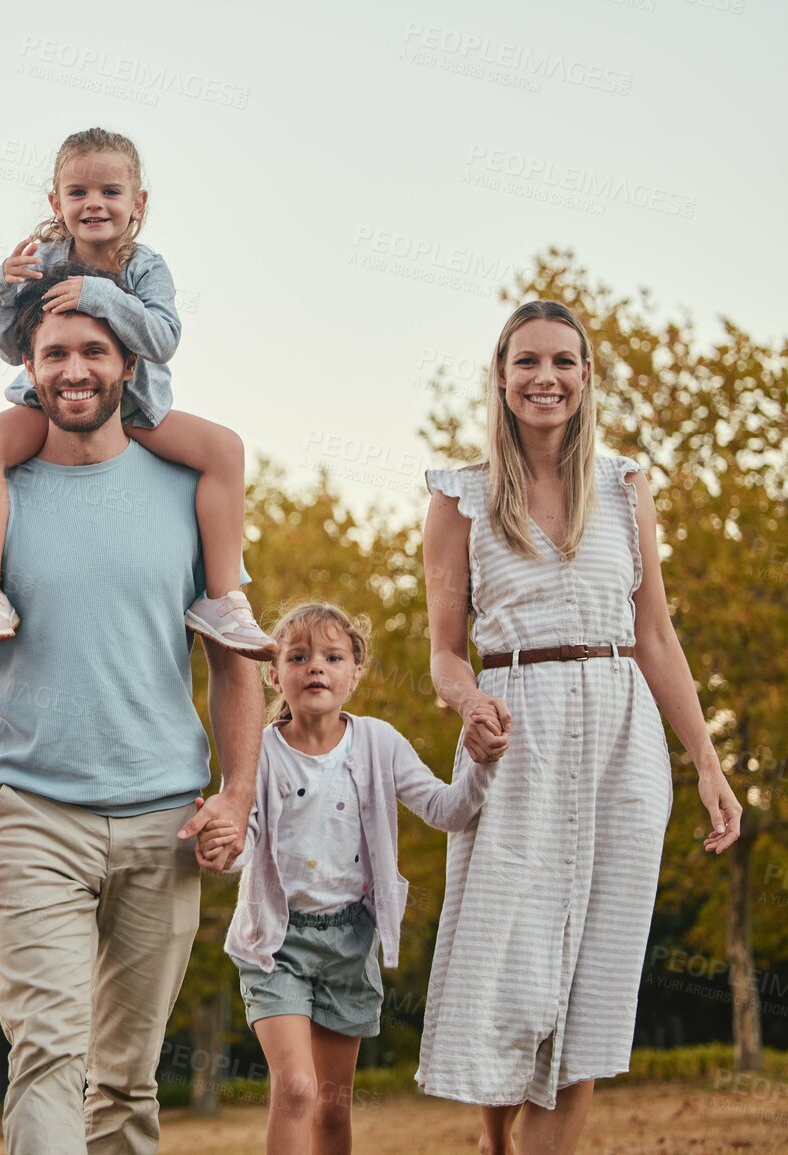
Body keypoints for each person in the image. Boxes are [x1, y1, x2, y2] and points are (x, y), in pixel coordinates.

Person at [0, 265, 263, 1154]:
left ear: (129, 365)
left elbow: (232, 660)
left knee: (128, 1077)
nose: (74, 368)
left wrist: (238, 794)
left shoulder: (186, 493)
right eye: (54, 351)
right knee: (47, 1054)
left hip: (163, 822)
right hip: (31, 817)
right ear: (28, 367)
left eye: (93, 350)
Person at [417, 300, 744, 1154]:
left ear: (586, 375)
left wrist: (705, 762)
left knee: (594, 972)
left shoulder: (624, 485)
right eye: (526, 361)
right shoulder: (459, 498)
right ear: (499, 375)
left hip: (620, 731)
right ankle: (494, 1141)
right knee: (507, 960)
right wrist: (469, 705)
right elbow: (444, 654)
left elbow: (655, 636)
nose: (545, 378)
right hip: (517, 724)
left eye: (564, 361)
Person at [0, 126, 273, 660]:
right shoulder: (45, 260)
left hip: (137, 411)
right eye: (78, 193)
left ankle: (223, 597)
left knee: (226, 449)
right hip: (53, 408)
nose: (94, 204)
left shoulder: (144, 267)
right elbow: (13, 348)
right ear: (56, 202)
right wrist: (1, 289)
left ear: (137, 203)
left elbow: (163, 340)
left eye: (110, 192)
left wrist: (100, 295)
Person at [206, 601, 504, 1155]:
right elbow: (243, 837)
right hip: (276, 944)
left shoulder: (378, 744)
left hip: (350, 942)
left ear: (354, 673)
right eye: (298, 657)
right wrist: (222, 846)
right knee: (296, 1089)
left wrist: (479, 764)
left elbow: (446, 811)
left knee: (332, 1113)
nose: (315, 667)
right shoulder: (261, 752)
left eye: (332, 656)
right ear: (275, 675)